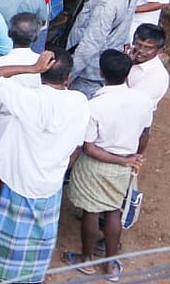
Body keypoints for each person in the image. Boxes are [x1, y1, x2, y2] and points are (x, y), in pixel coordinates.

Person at [0, 50, 88, 284]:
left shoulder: (28, 98)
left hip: (19, 178)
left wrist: (33, 68)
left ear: (41, 75)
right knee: (39, 236)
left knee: (8, 232)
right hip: (51, 179)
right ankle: (29, 276)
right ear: (68, 78)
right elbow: (78, 144)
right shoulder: (79, 102)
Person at [65, 50, 153, 280]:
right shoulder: (144, 101)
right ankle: (111, 266)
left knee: (92, 212)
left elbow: (89, 147)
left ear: (102, 73)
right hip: (124, 165)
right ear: (128, 73)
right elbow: (145, 134)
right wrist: (132, 158)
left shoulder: (95, 105)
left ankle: (87, 261)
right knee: (114, 210)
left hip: (96, 164)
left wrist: (122, 159)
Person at [66, 0, 136, 97]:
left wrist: (70, 72)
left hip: (88, 72)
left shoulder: (107, 4)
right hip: (105, 62)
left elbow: (92, 42)